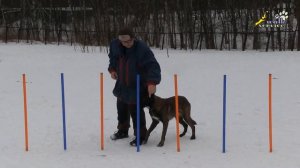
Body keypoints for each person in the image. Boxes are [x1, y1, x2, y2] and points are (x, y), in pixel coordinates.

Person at [108, 27, 161, 146]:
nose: (127, 44)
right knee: (121, 108)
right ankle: (122, 130)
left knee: (135, 110)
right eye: (124, 42)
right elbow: (113, 57)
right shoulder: (115, 45)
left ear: (133, 38)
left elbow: (152, 65)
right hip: (122, 83)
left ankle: (141, 135)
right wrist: (112, 69)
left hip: (137, 84)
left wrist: (152, 82)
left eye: (129, 41)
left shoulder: (141, 48)